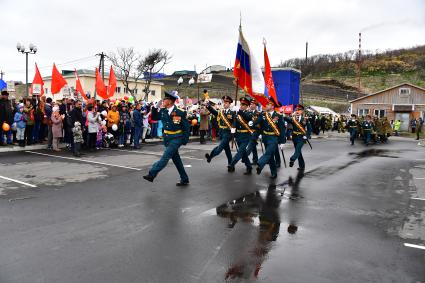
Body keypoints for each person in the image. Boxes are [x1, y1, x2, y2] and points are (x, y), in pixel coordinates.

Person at [143, 91, 190, 186]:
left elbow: (186, 127)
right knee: (177, 160)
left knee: (165, 157)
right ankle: (184, 178)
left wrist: (184, 140)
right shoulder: (163, 111)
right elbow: (155, 117)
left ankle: (152, 174)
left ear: (170, 101)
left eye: (165, 99)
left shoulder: (180, 112)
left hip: (177, 138)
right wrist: (155, 107)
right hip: (167, 138)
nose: (163, 100)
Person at [252, 97, 286, 178]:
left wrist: (282, 141)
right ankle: (274, 173)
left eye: (268, 104)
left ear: (272, 106)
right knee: (270, 156)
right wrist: (253, 121)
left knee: (268, 153)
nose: (266, 106)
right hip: (265, 137)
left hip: (273, 138)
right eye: (266, 104)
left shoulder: (278, 116)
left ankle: (260, 164)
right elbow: (256, 123)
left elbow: (282, 129)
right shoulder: (263, 114)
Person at [204, 95, 235, 166]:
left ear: (230, 104)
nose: (225, 104)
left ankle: (210, 157)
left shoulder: (232, 112)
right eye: (224, 102)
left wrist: (233, 132)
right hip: (221, 132)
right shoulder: (221, 112)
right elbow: (214, 112)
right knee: (227, 150)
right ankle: (231, 164)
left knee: (220, 148)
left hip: (227, 133)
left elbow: (234, 123)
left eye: (226, 103)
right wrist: (208, 106)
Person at [228, 97, 254, 175]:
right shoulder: (237, 112)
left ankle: (231, 164)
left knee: (240, 151)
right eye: (241, 104)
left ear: (247, 106)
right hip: (238, 135)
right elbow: (233, 120)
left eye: (243, 104)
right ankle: (249, 166)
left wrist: (239, 111)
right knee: (243, 153)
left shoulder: (249, 113)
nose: (241, 106)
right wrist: (233, 128)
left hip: (246, 135)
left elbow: (247, 117)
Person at [284, 104, 308, 170]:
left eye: (299, 110)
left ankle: (292, 159)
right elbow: (286, 118)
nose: (297, 111)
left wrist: (307, 136)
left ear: (302, 111)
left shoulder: (304, 119)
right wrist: (291, 114)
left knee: (297, 150)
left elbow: (309, 128)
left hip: (301, 138)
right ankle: (302, 166)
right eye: (296, 110)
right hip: (295, 138)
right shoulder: (293, 118)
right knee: (299, 152)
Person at [246, 99, 260, 165]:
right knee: (253, 146)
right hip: (249, 131)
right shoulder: (248, 112)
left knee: (250, 144)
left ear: (255, 105)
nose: (251, 105)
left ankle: (245, 156)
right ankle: (255, 160)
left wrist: (260, 133)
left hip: (255, 132)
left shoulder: (258, 113)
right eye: (251, 104)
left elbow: (260, 124)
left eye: (253, 104)